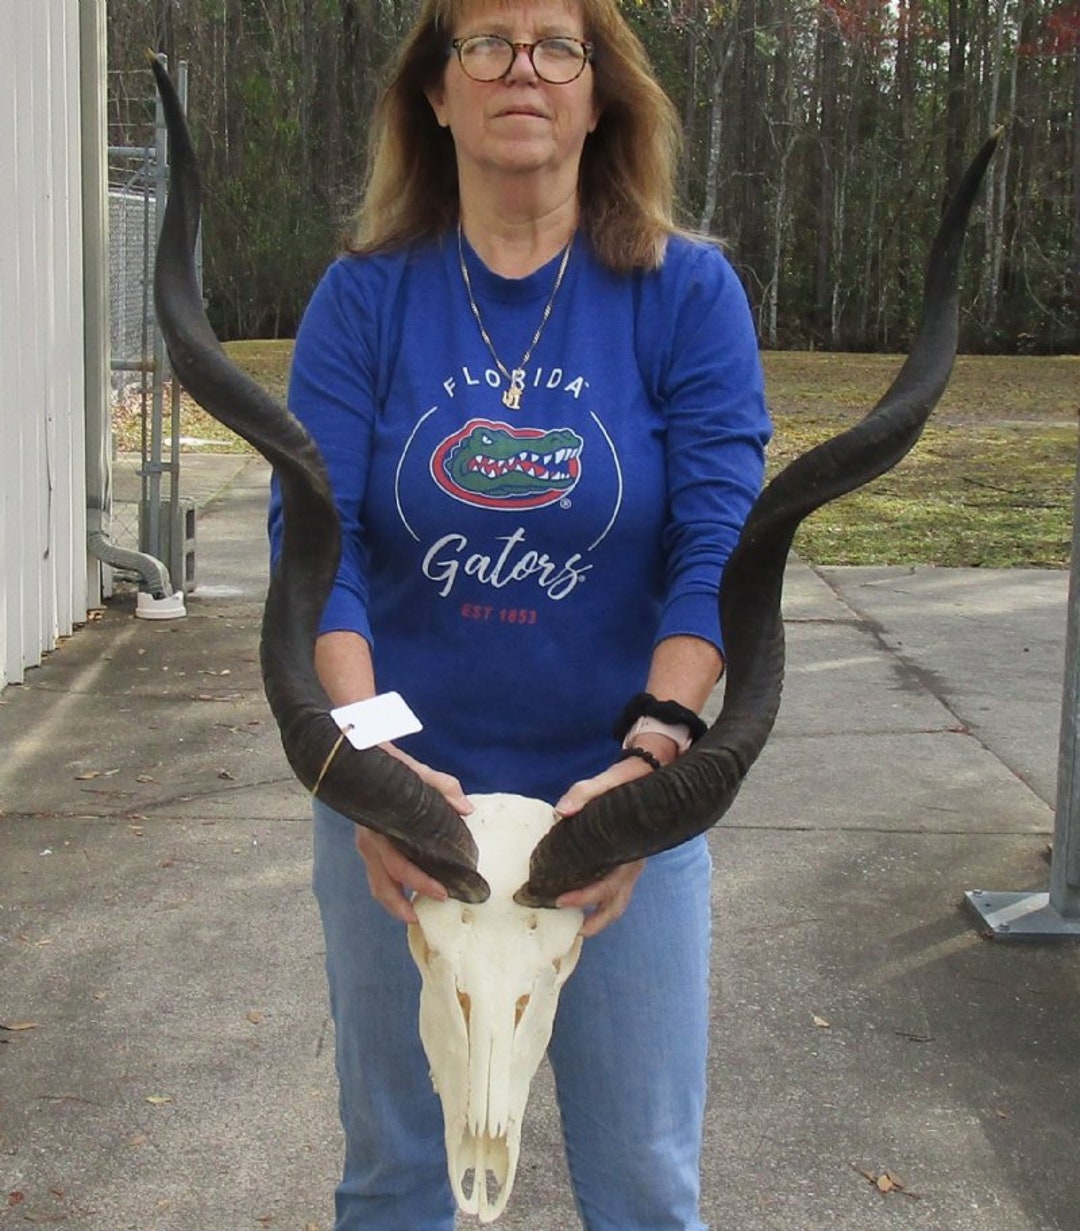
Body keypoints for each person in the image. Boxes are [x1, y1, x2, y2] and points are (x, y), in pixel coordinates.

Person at [269, 0, 771, 1226]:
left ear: (601, 94)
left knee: (645, 1184)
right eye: (484, 43)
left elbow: (719, 547)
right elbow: (317, 550)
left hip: (613, 806)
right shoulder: (363, 298)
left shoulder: (685, 294)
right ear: (434, 92)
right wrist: (371, 766)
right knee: (399, 1175)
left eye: (558, 47)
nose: (521, 72)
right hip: (405, 816)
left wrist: (654, 757)